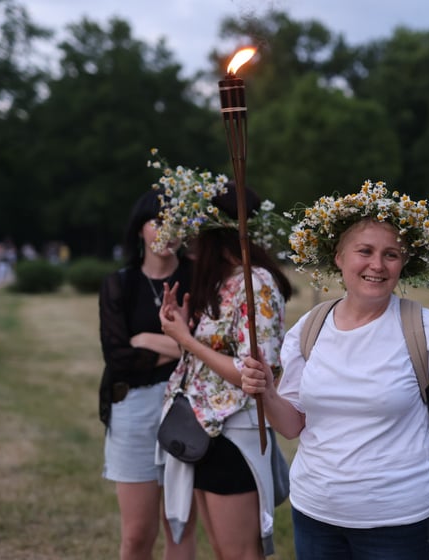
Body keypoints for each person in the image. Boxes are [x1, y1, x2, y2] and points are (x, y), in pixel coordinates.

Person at [240, 181, 429, 560]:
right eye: (365, 251)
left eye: (391, 254)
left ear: (403, 264)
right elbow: (292, 425)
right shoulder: (310, 328)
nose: (377, 265)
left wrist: (416, 466)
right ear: (339, 257)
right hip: (315, 514)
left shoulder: (424, 330)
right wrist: (268, 393)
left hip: (398, 523)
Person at [155, 171, 293, 559]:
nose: (191, 246)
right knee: (222, 549)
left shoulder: (256, 282)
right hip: (206, 430)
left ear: (216, 235)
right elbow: (211, 359)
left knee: (240, 552)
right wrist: (184, 331)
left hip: (235, 433)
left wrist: (186, 340)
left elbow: (255, 374)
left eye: (196, 235)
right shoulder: (223, 282)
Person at [98, 190, 196, 560]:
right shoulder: (120, 284)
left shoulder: (199, 278)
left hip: (188, 408)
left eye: (175, 221)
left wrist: (146, 339)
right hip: (133, 408)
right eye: (158, 221)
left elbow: (213, 350)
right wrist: (184, 344)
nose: (167, 230)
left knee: (180, 528)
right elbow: (119, 359)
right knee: (138, 534)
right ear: (140, 229)